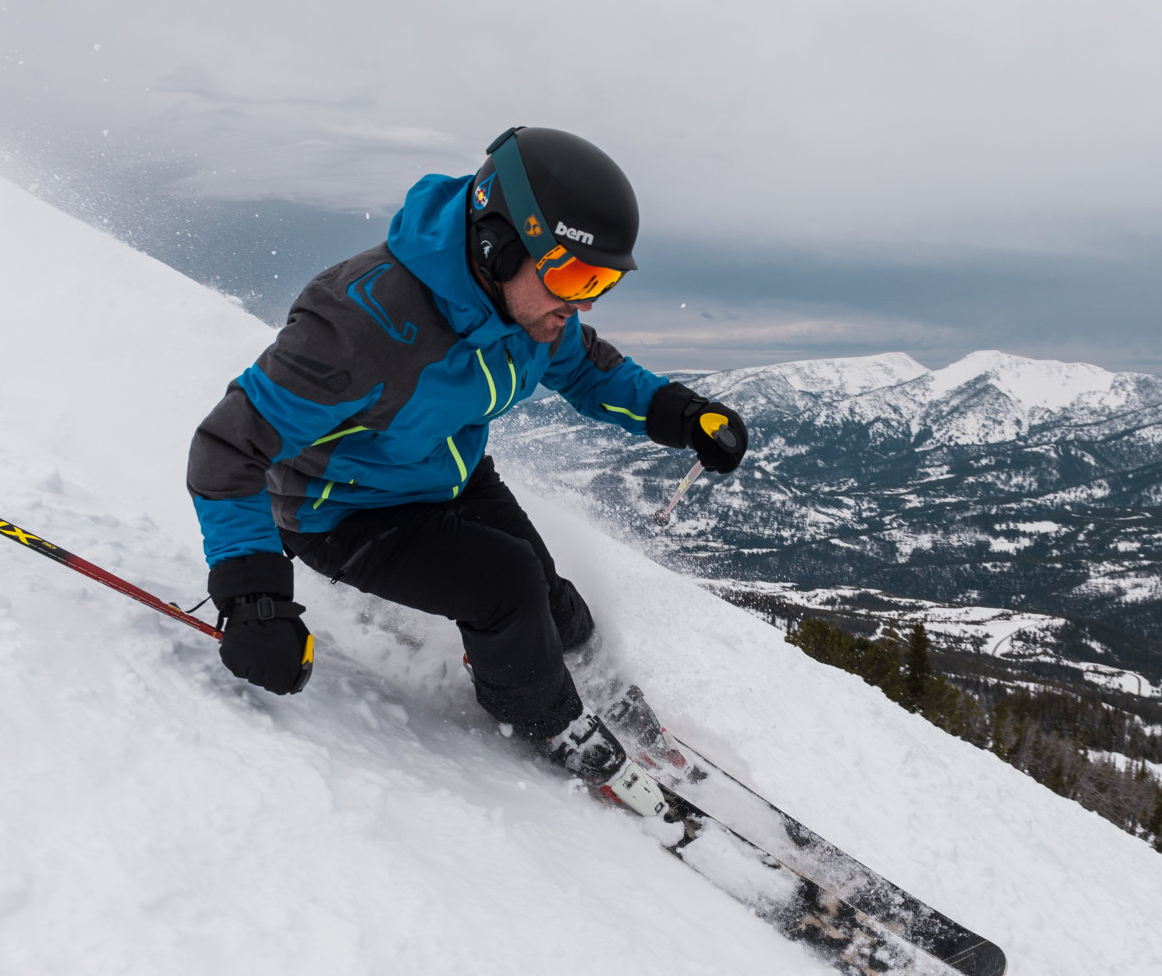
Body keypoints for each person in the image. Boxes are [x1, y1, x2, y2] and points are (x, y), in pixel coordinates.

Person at [186, 126, 747, 811]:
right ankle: (550, 720)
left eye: (600, 280)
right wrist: (255, 599)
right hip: (343, 507)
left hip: (445, 473)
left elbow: (584, 367)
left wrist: (682, 414)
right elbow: (228, 446)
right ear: (498, 242)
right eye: (573, 275)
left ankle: (599, 688)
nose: (583, 302)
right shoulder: (360, 321)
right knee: (507, 586)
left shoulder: (529, 309)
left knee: (550, 592)